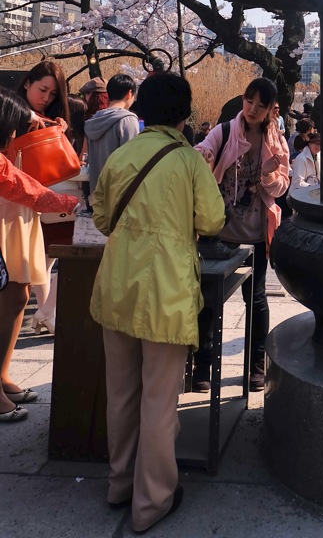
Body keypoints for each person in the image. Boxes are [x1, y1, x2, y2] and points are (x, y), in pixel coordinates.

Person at [89, 72, 225, 533]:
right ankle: (152, 502)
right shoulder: (189, 161)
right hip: (165, 294)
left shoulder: (122, 154)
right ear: (185, 114)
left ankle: (118, 485)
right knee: (159, 401)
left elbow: (103, 218)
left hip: (117, 288)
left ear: (141, 108)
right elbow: (212, 218)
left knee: (122, 395)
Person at [194, 77, 289, 392]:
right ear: (243, 99)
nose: (252, 109)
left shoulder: (275, 142)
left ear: (269, 111)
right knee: (209, 302)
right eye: (250, 101)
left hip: (257, 233)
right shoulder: (223, 132)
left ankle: (256, 367)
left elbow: (281, 188)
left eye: (261, 105)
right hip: (219, 234)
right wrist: (203, 158)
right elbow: (201, 153)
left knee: (257, 300)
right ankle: (202, 367)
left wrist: (268, 173)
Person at [0, 88, 79, 422]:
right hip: (8, 223)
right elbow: (25, 188)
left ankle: (1, 376)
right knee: (11, 298)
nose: (18, 133)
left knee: (18, 295)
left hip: (11, 222)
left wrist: (41, 120)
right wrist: (75, 205)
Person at [16, 61, 74, 332]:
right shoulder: (12, 112)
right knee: (19, 283)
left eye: (52, 94)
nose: (46, 98)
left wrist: (55, 133)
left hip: (29, 201)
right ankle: (46, 313)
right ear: (27, 82)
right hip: (14, 202)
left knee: (29, 275)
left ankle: (46, 313)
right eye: (42, 89)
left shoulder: (47, 120)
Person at [84, 74, 139, 191]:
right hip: (120, 193)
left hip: (98, 193)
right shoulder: (127, 119)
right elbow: (131, 161)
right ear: (129, 94)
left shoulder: (93, 121)